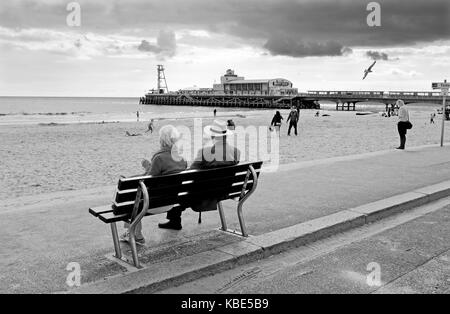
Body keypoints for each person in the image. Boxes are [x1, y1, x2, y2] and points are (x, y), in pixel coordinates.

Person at [158, 120, 240, 230]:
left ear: (212, 136)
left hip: (204, 194)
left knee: (176, 190)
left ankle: (175, 221)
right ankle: (174, 220)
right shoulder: (236, 152)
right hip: (225, 191)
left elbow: (189, 174)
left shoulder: (205, 152)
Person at [120, 125, 188, 244]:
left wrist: (147, 166)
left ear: (162, 140)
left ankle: (136, 234)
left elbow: (148, 182)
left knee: (132, 197)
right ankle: (132, 232)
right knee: (133, 191)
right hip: (171, 202)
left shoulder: (159, 158)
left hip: (154, 204)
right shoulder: (182, 159)